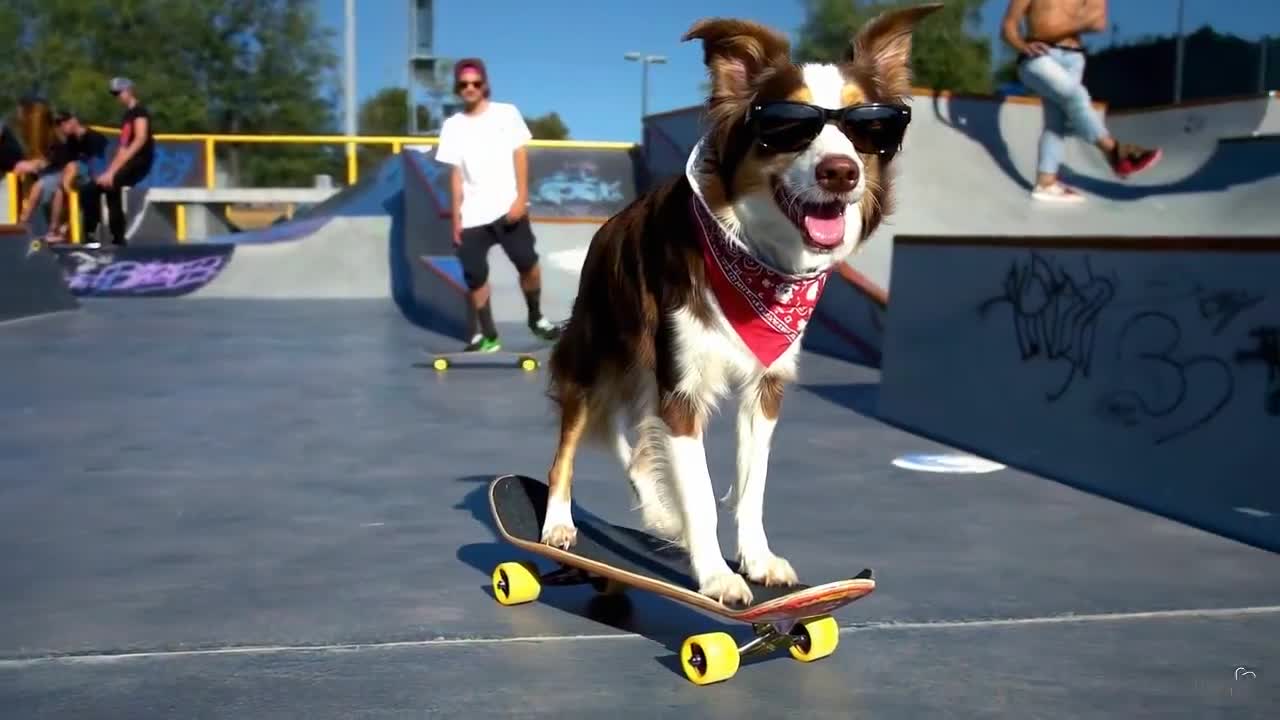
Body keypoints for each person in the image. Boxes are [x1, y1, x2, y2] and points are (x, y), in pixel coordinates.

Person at [434, 58, 561, 352]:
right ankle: (489, 334)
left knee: (528, 264)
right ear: (458, 88)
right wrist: (455, 218)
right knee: (475, 275)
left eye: (475, 83)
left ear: (484, 85)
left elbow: (520, 155)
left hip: (508, 207)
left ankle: (536, 317)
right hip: (471, 216)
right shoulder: (453, 126)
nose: (470, 88)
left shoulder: (506, 114)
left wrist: (520, 198)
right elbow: (454, 175)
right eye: (464, 84)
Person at [1001, 0, 1162, 203]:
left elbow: (1098, 23)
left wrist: (1049, 30)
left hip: (1075, 59)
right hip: (1038, 57)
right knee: (1076, 96)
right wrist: (1022, 45)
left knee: (1056, 122)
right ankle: (1114, 151)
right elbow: (1008, 27)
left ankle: (1046, 183)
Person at [86, 77, 155, 246]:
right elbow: (122, 147)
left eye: (119, 93)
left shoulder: (140, 111)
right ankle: (91, 237)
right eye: (114, 94)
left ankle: (118, 239)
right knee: (90, 190)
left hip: (140, 161)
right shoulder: (127, 116)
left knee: (112, 185)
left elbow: (140, 139)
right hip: (128, 161)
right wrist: (109, 172)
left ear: (129, 90)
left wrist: (112, 174)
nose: (117, 97)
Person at [43, 109, 111, 242]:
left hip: (99, 176)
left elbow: (99, 166)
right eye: (60, 124)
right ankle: (54, 229)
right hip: (79, 180)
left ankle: (65, 227)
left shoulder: (94, 138)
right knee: (58, 190)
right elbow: (66, 165)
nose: (62, 127)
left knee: (73, 173)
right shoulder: (71, 141)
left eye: (65, 123)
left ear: (74, 121)